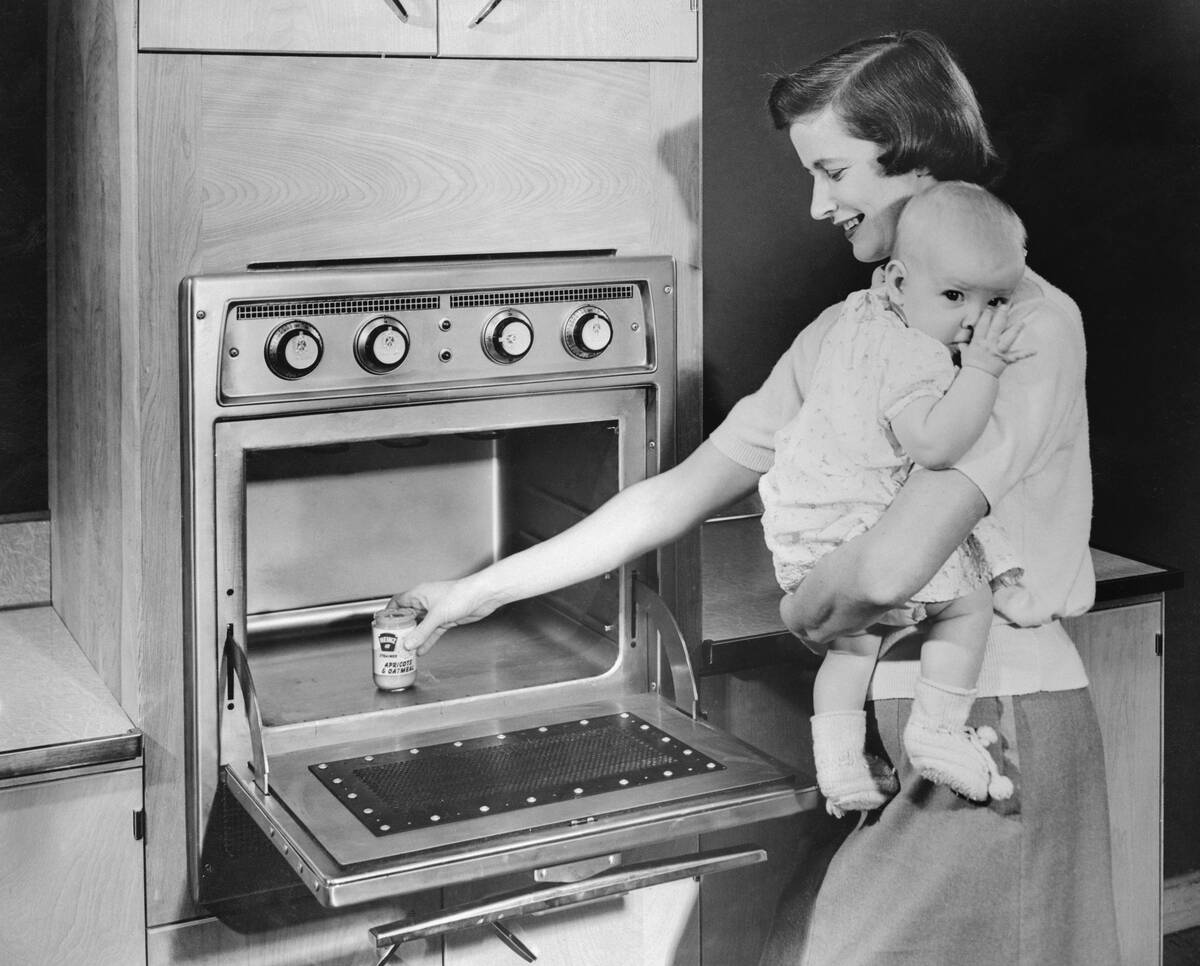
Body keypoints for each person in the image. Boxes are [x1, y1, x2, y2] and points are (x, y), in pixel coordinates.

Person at [394, 29, 1119, 966]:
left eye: (834, 171)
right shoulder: (848, 330)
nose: (817, 204)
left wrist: (803, 606)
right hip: (900, 713)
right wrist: (472, 594)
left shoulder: (1032, 327)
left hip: (996, 715)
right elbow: (678, 493)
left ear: (920, 161)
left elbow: (900, 561)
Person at [767, 181, 1030, 818]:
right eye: (953, 296)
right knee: (968, 607)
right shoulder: (917, 355)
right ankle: (937, 728)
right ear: (897, 280)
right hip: (859, 527)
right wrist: (984, 373)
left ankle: (840, 768)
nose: (973, 318)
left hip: (806, 534)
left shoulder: (860, 315)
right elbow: (934, 446)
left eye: (996, 300)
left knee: (852, 646)